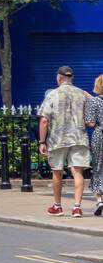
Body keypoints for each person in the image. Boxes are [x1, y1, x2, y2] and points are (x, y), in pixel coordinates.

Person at [40, 65, 91, 218]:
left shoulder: (52, 95)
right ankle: (77, 208)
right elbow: (94, 104)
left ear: (59, 78)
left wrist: (42, 142)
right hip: (79, 138)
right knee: (78, 172)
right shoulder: (82, 94)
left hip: (58, 139)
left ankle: (57, 206)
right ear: (71, 78)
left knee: (57, 172)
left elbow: (44, 120)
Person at [88, 75, 103, 216]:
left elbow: (91, 123)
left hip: (99, 136)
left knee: (98, 167)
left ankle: (99, 200)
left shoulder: (94, 102)